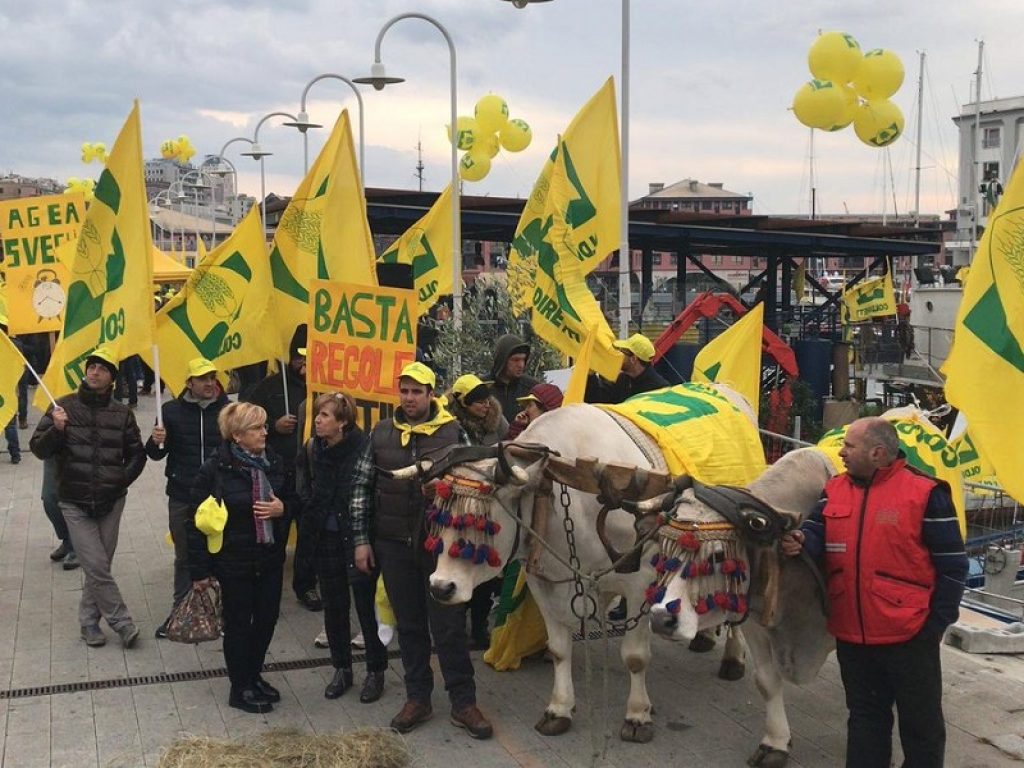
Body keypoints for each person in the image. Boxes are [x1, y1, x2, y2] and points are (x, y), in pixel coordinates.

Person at [781, 417, 967, 768]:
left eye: (849, 446)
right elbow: (818, 530)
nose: (842, 452)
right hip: (852, 632)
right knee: (865, 718)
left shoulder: (925, 494)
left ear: (878, 453)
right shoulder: (834, 489)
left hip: (910, 635)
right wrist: (802, 540)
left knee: (921, 726)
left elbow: (953, 566)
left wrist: (935, 626)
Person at [350, 362, 493, 739]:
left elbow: (472, 486)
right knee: (410, 627)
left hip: (439, 547)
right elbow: (362, 488)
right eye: (405, 391)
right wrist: (362, 541)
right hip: (393, 544)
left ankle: (463, 702)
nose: (409, 398)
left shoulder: (452, 432)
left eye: (417, 391)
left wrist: (441, 490)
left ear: (432, 394)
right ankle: (418, 698)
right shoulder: (381, 432)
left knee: (449, 627)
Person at [29, 346, 147, 648]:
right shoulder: (63, 407)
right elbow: (39, 448)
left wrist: (120, 480)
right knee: (94, 563)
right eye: (91, 367)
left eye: (102, 369)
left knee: (100, 566)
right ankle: (122, 623)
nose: (94, 372)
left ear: (112, 378)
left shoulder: (122, 413)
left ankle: (88, 623)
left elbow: (137, 454)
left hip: (111, 501)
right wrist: (56, 429)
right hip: (74, 501)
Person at [186, 402, 290, 714]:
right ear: (236, 435)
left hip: (269, 559)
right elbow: (196, 523)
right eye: (256, 428)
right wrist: (199, 571)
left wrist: (283, 510)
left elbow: (297, 499)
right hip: (233, 561)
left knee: (267, 620)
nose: (264, 432)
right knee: (239, 626)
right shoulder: (216, 469)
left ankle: (253, 674)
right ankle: (239, 686)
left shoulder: (274, 461)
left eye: (264, 426)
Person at [296, 391, 387, 703]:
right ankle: (342, 668)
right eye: (318, 414)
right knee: (334, 607)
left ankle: (376, 670)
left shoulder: (364, 449)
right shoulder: (313, 449)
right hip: (326, 539)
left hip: (358, 539)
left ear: (343, 422)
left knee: (365, 607)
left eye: (324, 416)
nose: (317, 420)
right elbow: (303, 485)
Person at [145, 357, 229, 638]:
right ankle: (179, 612)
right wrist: (157, 439)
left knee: (224, 554)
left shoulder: (229, 411)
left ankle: (225, 613)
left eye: (212, 378)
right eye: (202, 379)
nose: (208, 383)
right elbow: (156, 453)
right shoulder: (170, 411)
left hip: (220, 498)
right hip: (183, 495)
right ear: (189, 383)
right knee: (185, 556)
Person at [244, 326, 320, 612]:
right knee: (273, 537)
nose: (303, 364)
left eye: (308, 357)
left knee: (309, 537)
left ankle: (306, 586)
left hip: (310, 476)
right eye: (299, 358)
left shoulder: (321, 387)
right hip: (277, 477)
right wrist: (273, 427)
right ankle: (268, 587)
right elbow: (247, 422)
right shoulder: (269, 387)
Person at [445, 374, 508, 650]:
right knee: (458, 560)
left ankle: (479, 626)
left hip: (489, 504)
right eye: (477, 401)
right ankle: (454, 625)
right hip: (460, 504)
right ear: (462, 402)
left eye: (486, 399)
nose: (485, 405)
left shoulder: (498, 422)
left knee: (484, 566)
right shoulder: (449, 427)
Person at [585, 332, 668, 404]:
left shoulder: (661, 390)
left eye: (622, 351)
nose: (618, 355)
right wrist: (590, 375)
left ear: (633, 359)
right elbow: (597, 400)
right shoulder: (623, 380)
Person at [489, 333, 540, 423]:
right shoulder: (483, 386)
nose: (521, 365)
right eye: (515, 360)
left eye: (523, 359)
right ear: (502, 360)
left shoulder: (533, 388)